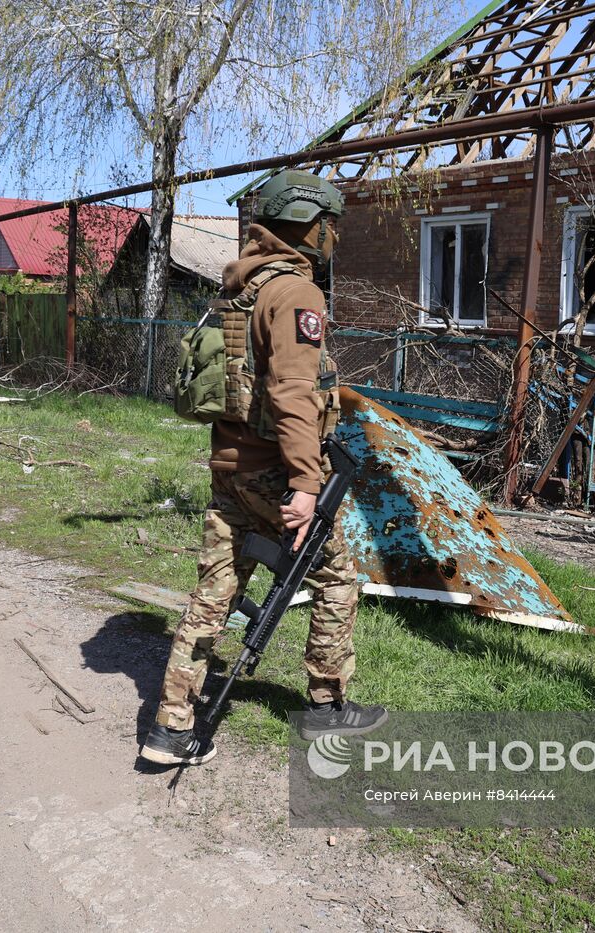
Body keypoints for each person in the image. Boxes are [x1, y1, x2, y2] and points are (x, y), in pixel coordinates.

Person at [140, 169, 387, 767]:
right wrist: (306, 482)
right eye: (329, 225)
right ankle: (326, 707)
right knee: (334, 577)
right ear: (308, 226)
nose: (332, 236)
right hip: (277, 471)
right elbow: (292, 392)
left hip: (229, 466)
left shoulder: (238, 289)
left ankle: (170, 726)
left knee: (214, 591)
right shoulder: (296, 293)